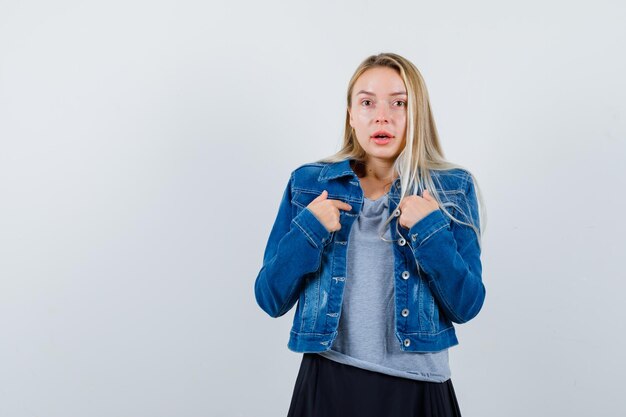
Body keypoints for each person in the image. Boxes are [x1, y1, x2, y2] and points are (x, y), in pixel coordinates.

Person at [254, 52, 486, 417]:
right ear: (350, 114)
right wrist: (310, 231)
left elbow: (467, 305)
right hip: (328, 381)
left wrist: (430, 231)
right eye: (367, 102)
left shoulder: (452, 190)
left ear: (417, 113)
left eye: (399, 103)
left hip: (419, 388)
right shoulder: (309, 185)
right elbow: (270, 297)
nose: (382, 116)